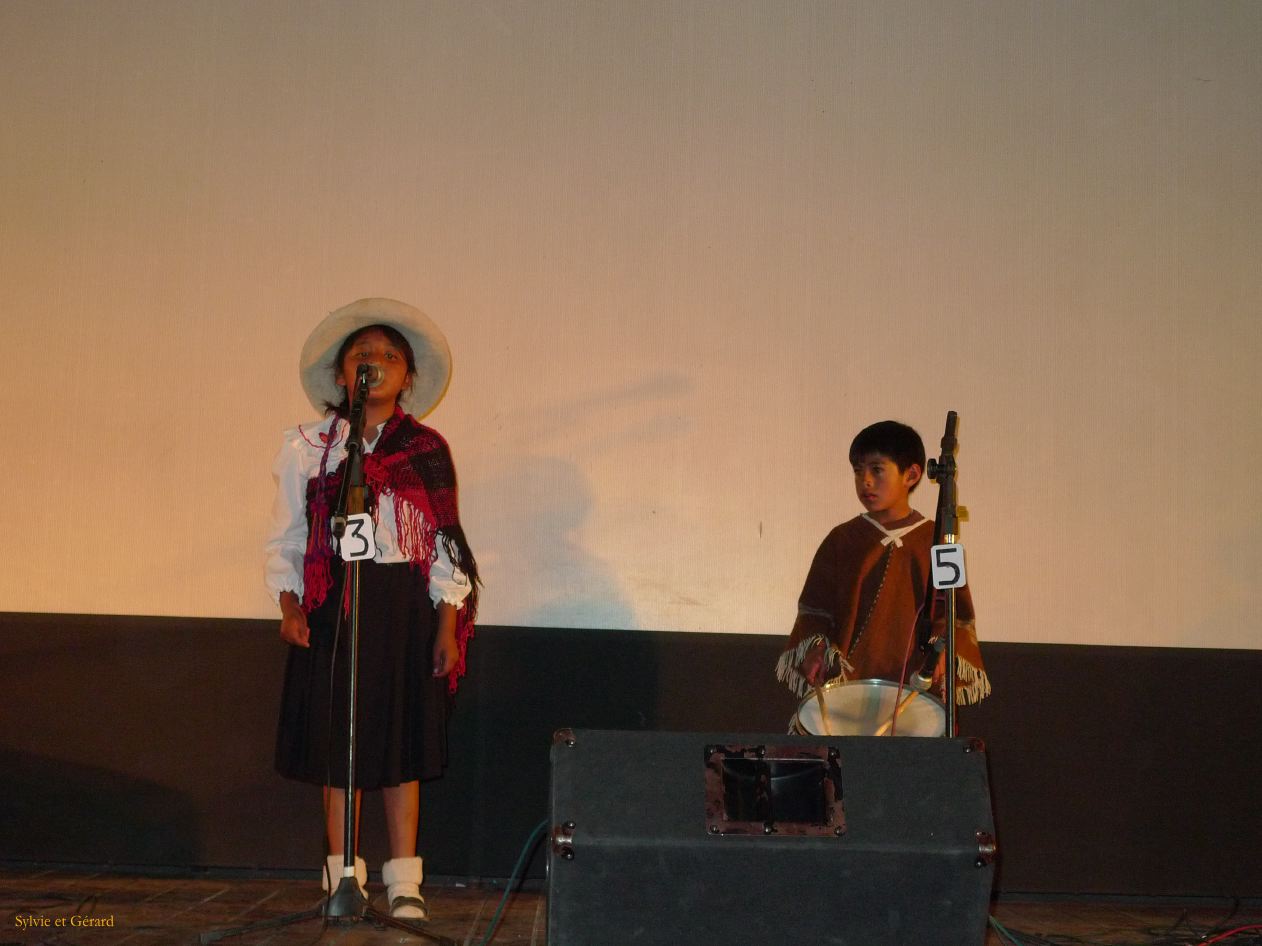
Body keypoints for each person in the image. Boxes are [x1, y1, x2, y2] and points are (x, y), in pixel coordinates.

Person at [265, 297, 479, 920]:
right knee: (340, 746)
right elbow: (284, 536)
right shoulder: (308, 448)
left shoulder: (427, 451)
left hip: (402, 607)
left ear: (407, 378)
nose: (374, 362)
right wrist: (290, 603)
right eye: (362, 354)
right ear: (341, 375)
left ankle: (404, 881)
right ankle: (343, 879)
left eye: (389, 355)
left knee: (399, 745)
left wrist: (447, 622)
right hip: (333, 602)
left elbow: (444, 542)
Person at [776, 420, 989, 720]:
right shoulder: (842, 539)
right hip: (846, 694)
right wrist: (817, 646)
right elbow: (814, 611)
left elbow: (954, 615)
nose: (865, 480)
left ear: (912, 475)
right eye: (858, 470)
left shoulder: (938, 541)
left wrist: (943, 655)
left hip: (916, 695)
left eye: (877, 469)